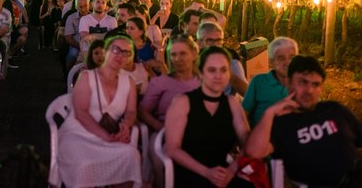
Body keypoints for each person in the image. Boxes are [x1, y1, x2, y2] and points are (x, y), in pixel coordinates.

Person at [246, 55, 362, 187]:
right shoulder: (281, 123)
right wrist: (269, 112)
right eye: (303, 82)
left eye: (316, 84)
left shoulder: (334, 110)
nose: (309, 90)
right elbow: (254, 152)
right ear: (288, 83)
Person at [57, 36, 141, 187]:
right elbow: (80, 113)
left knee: (131, 155)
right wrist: (105, 136)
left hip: (109, 132)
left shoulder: (128, 82)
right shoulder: (86, 76)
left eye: (127, 53)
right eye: (116, 50)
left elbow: (131, 112)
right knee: (84, 163)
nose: (120, 55)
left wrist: (126, 125)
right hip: (79, 133)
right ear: (107, 51)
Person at [165, 46, 252, 187]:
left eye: (223, 70)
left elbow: (248, 144)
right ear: (200, 73)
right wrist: (206, 172)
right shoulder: (183, 102)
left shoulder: (232, 104)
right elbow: (172, 149)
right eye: (212, 70)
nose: (218, 76)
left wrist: (232, 170)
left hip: (223, 173)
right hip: (191, 173)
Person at [139, 34, 201, 188]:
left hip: (199, 129)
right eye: (173, 54)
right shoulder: (161, 82)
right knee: (160, 157)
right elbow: (143, 111)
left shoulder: (204, 80)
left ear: (193, 54)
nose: (178, 58)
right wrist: (161, 128)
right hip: (164, 131)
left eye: (183, 53)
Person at [242, 36, 298, 127]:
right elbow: (243, 115)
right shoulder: (259, 82)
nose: (287, 62)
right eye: (281, 58)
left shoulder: (304, 83)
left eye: (292, 57)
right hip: (262, 137)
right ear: (271, 62)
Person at [196, 22, 248, 97]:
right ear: (199, 43)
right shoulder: (192, 63)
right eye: (210, 41)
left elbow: (248, 95)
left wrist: (228, 74)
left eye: (218, 41)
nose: (215, 45)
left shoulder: (232, 62)